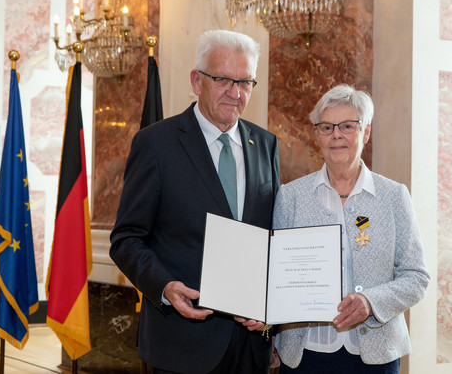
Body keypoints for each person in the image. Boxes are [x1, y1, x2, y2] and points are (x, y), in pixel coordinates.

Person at [110, 29, 280, 374]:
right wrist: (165, 286)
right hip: (182, 342)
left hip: (252, 343)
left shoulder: (266, 144)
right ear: (196, 80)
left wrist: (275, 322)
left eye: (246, 82)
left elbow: (272, 235)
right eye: (223, 80)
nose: (235, 93)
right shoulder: (156, 144)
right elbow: (126, 239)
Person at [272, 84, 430, 373]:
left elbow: (417, 277)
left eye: (347, 126)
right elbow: (275, 277)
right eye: (326, 127)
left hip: (376, 356)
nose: (336, 135)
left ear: (365, 132)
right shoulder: (290, 196)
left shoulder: (394, 196)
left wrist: (371, 302)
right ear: (316, 135)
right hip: (304, 355)